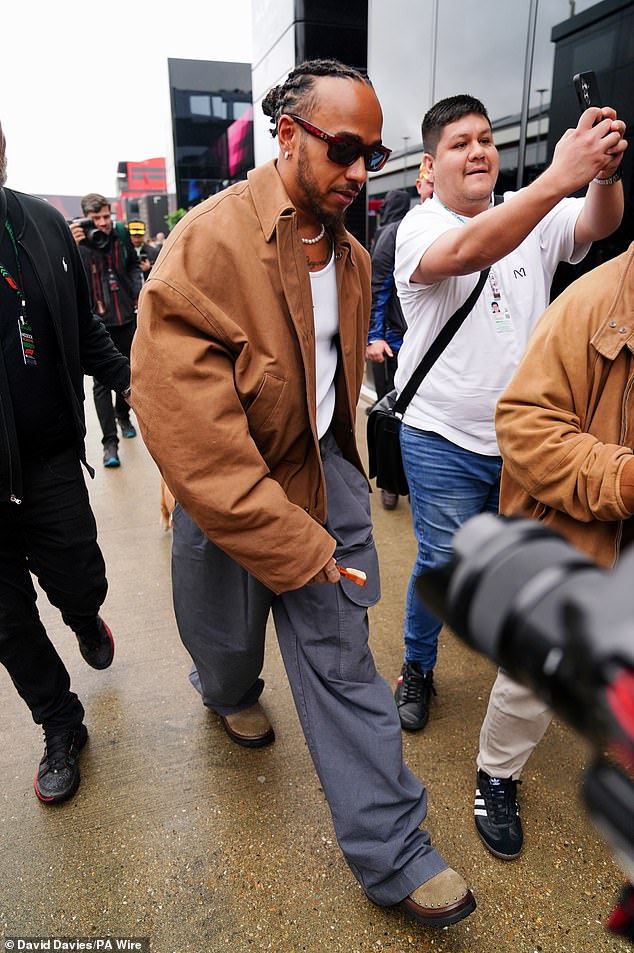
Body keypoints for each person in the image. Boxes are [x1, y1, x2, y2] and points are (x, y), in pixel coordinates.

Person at [132, 58, 477, 929]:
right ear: (287, 135)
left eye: (377, 151)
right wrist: (295, 543)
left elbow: (320, 378)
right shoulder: (204, 246)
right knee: (224, 645)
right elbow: (198, 444)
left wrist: (330, 513)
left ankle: (395, 850)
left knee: (340, 663)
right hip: (226, 497)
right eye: (347, 148)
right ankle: (226, 690)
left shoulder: (356, 256)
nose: (363, 171)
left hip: (324, 476)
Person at [391, 93, 626, 732]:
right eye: (460, 143)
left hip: (523, 445)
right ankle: (417, 666)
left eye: (487, 140)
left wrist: (602, 172)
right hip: (440, 435)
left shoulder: (534, 215)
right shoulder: (421, 227)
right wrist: (557, 177)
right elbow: (466, 253)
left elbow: (599, 225)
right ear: (430, 167)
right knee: (442, 561)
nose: (479, 151)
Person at [473, 240, 634, 860]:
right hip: (580, 540)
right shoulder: (591, 303)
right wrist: (620, 479)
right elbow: (522, 425)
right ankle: (496, 773)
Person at [0, 121, 130, 803]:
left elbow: (86, 331)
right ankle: (59, 722)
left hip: (49, 462)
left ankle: (84, 616)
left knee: (80, 577)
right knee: (9, 624)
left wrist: (136, 382)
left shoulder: (45, 226)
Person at [70, 194, 142, 468]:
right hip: (96, 324)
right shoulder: (78, 242)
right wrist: (71, 245)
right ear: (87, 218)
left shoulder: (121, 236)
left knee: (129, 372)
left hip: (125, 317)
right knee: (102, 384)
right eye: (96, 218)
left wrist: (138, 291)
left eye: (106, 216)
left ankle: (123, 417)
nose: (103, 223)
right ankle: (109, 443)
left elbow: (133, 266)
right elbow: (68, 279)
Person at [366, 189, 411, 509]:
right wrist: (373, 337)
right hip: (394, 344)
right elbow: (377, 287)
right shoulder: (391, 234)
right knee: (391, 415)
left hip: (426, 344)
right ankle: (390, 483)